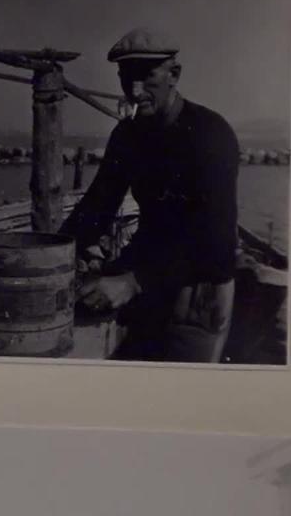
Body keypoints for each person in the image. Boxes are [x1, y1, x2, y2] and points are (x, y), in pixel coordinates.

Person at [59, 28, 240, 363]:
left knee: (182, 397)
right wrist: (56, 254)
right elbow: (98, 204)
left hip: (198, 288)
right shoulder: (128, 135)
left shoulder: (211, 136)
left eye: (146, 77)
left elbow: (216, 246)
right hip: (147, 270)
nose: (134, 91)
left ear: (175, 75)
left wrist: (134, 281)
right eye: (126, 78)